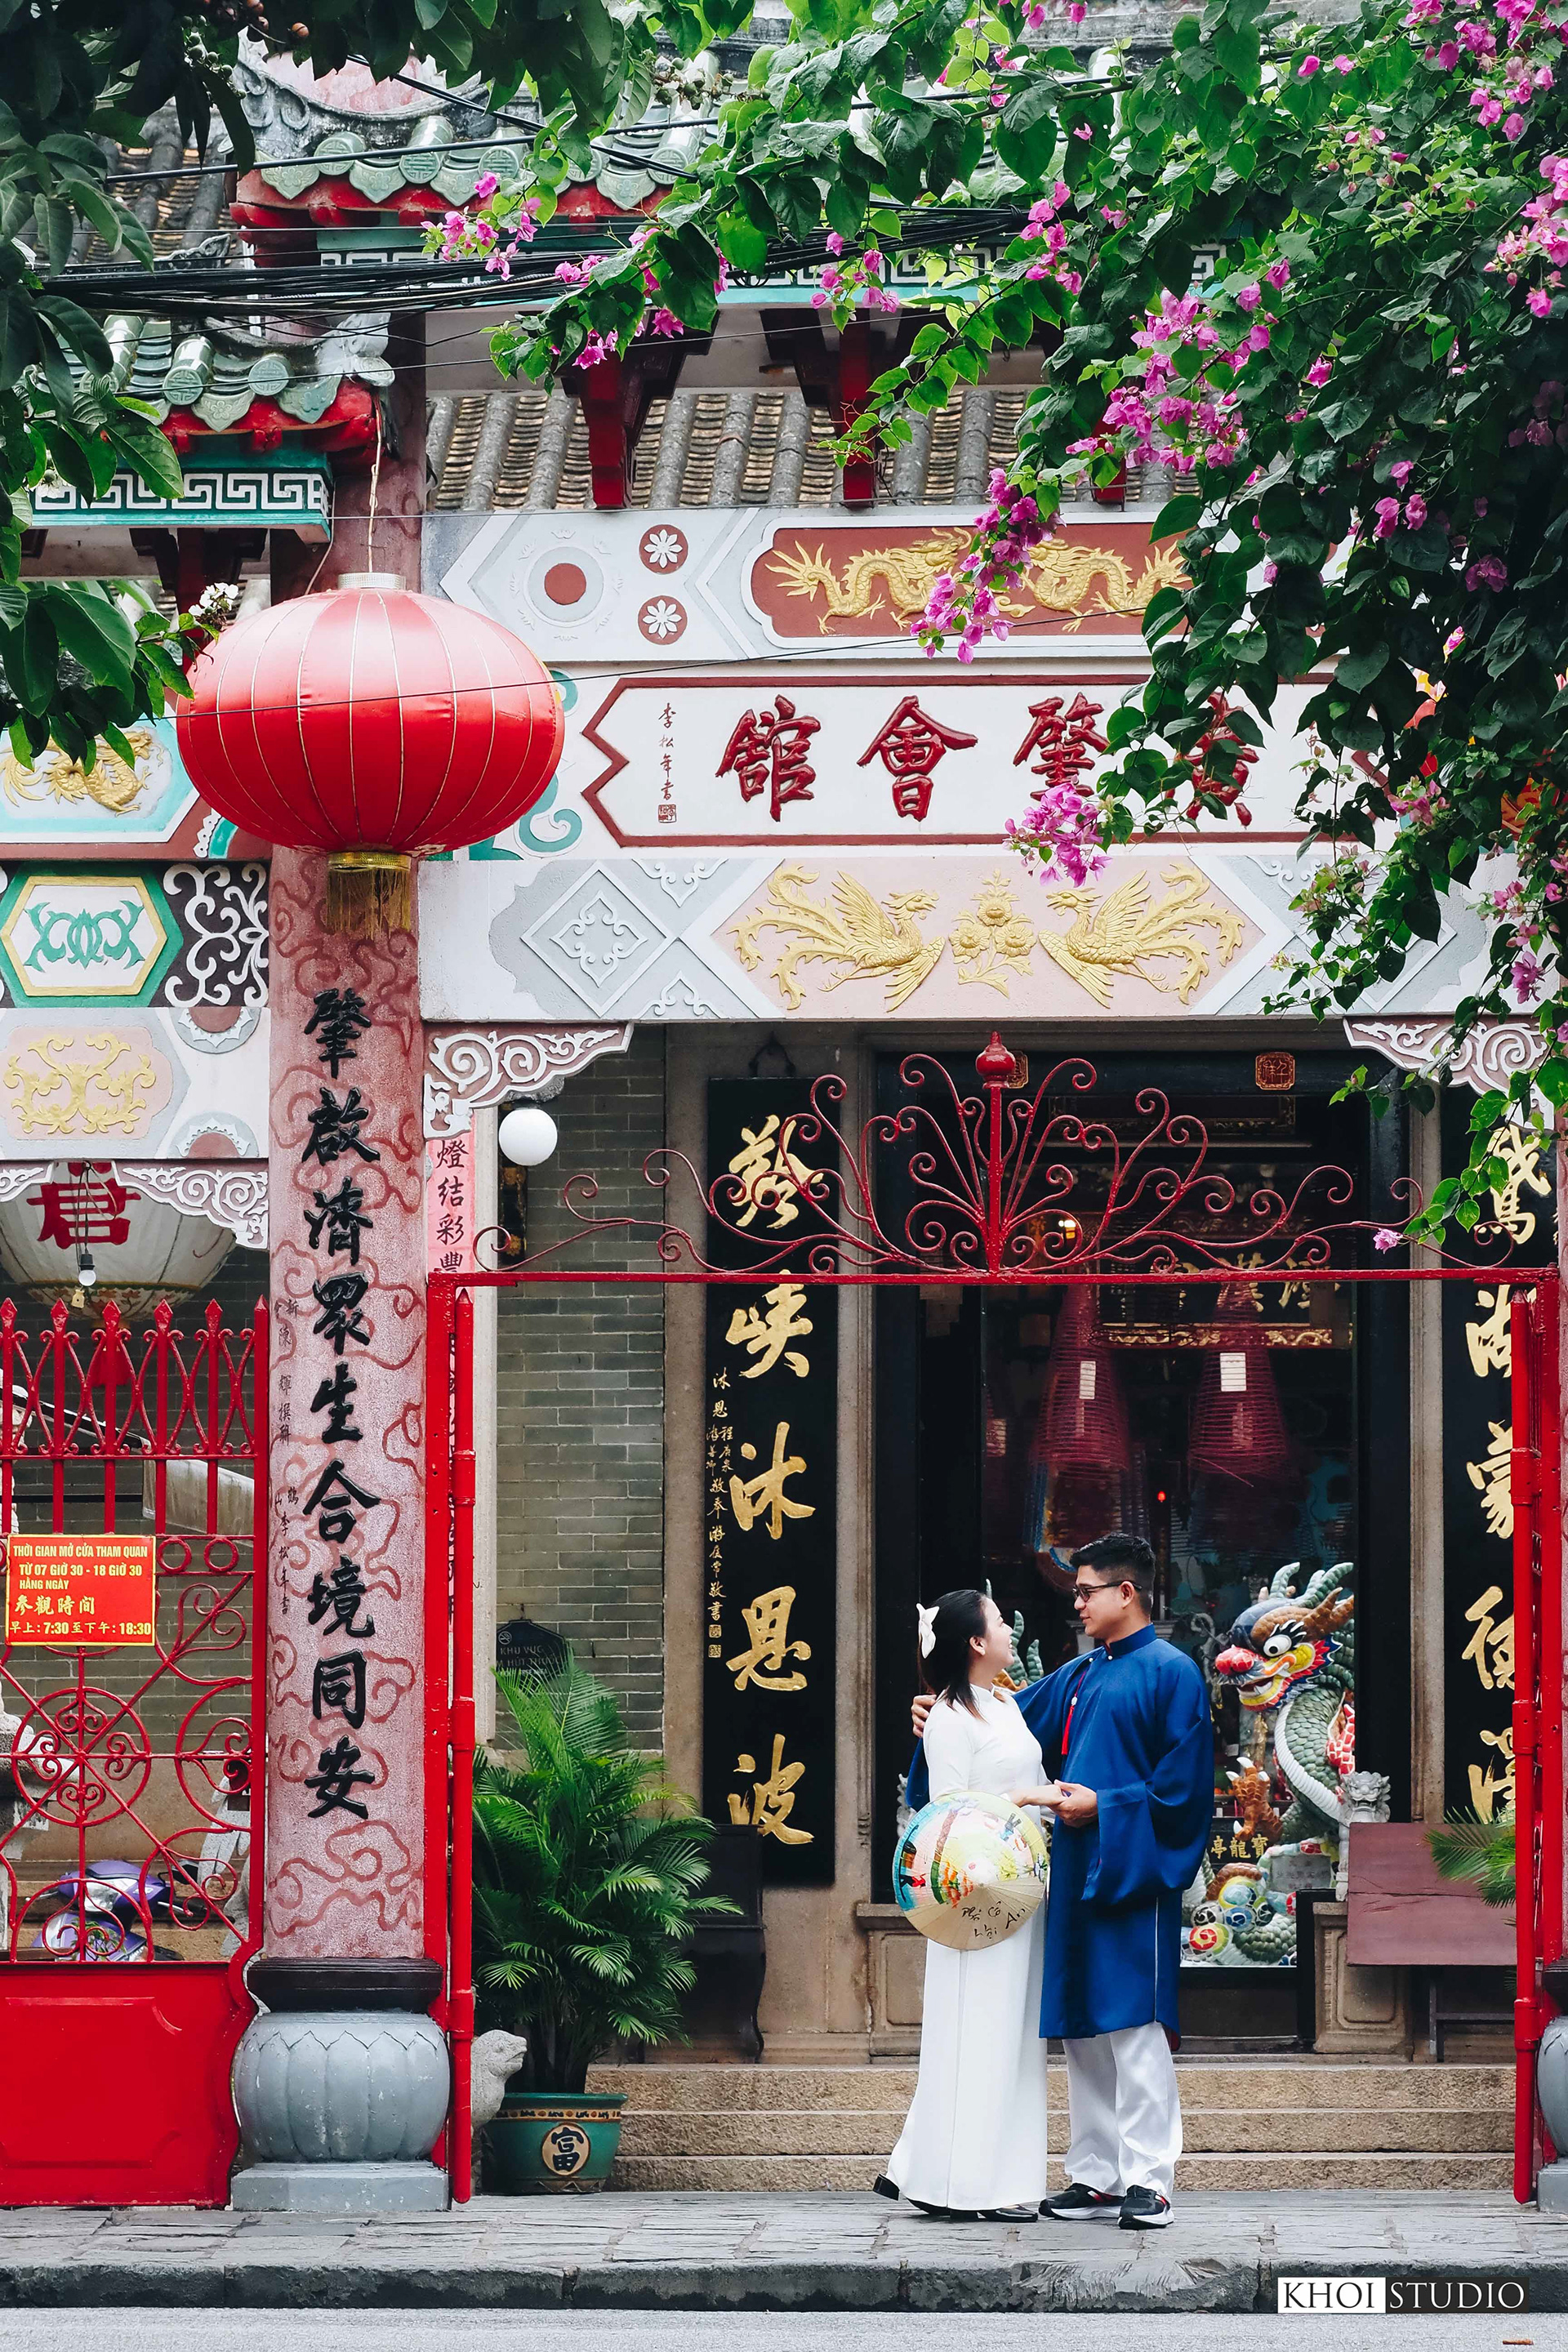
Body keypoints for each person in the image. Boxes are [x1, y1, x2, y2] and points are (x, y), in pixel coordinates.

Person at [906, 1533, 1213, 2230]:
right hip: (1071, 1870)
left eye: (1085, 1591)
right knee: (1081, 2029)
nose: (1076, 1603)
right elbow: (997, 1723)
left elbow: (1185, 1792)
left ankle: (1150, 2179)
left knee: (1134, 2025)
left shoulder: (1174, 1674)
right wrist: (938, 1709)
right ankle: (1097, 2174)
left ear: (1126, 1593)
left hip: (1133, 1869)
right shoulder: (1078, 1676)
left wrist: (1105, 1806)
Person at [878, 1588, 1060, 2221]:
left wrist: (1044, 1800)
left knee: (1012, 2037)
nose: (1010, 1629)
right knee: (973, 2033)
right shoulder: (950, 1719)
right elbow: (947, 1818)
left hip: (1019, 1890)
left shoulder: (1004, 1703)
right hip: (973, 1897)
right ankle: (959, 2186)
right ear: (977, 1642)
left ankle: (996, 2182)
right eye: (1000, 1622)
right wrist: (1031, 1799)